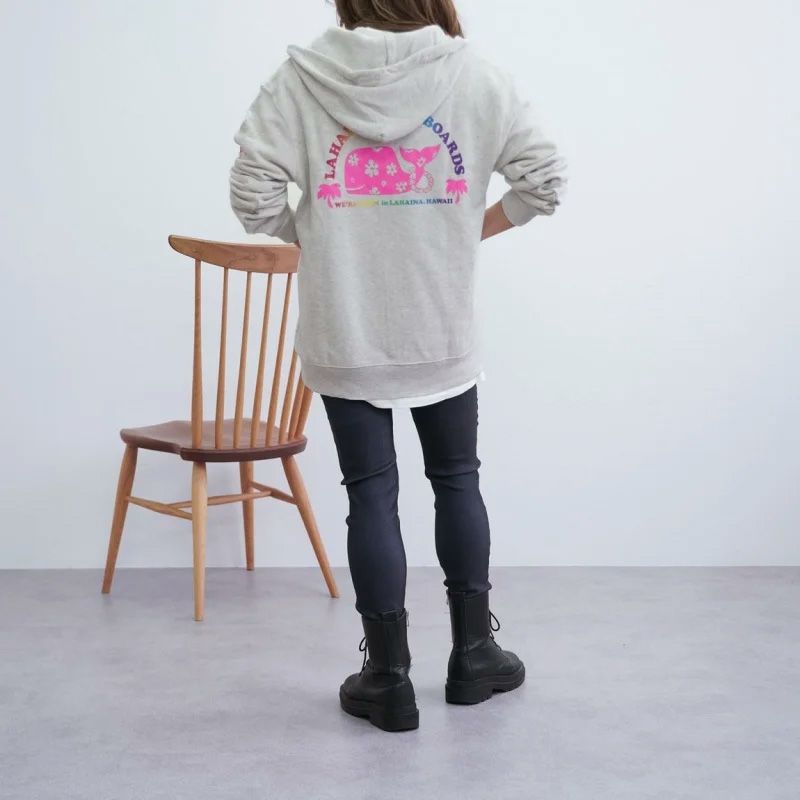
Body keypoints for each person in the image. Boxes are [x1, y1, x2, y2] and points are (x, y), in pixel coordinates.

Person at [230, 0, 566, 732]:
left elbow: (252, 197)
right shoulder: (476, 78)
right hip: (439, 326)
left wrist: (326, 240)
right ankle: (474, 656)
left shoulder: (300, 81)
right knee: (457, 480)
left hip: (344, 332)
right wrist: (463, 229)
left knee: (370, 496)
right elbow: (544, 181)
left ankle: (387, 679)